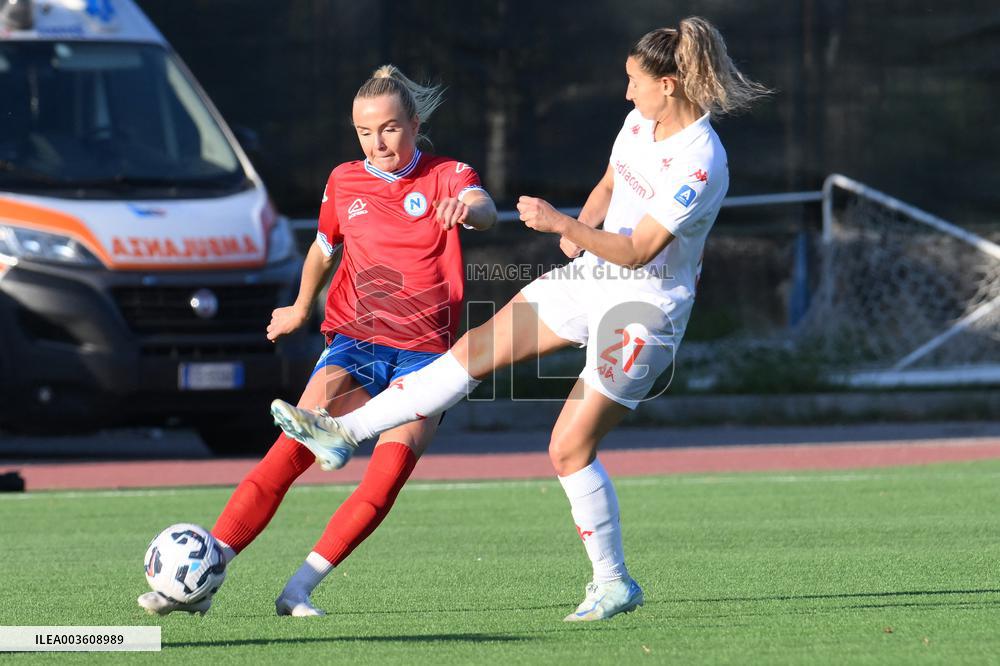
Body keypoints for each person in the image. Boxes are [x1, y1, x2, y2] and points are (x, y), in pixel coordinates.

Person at [271, 17, 770, 621]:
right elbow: (612, 182)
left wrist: (563, 225)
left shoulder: (700, 161)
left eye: (634, 82)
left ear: (669, 85)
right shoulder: (643, 120)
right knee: (474, 351)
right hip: (593, 276)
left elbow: (641, 250)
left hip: (643, 308)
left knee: (567, 447)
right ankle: (343, 433)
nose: (626, 93)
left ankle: (614, 583)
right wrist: (582, 235)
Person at [138, 65, 497, 616]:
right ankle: (203, 576)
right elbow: (323, 248)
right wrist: (300, 307)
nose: (378, 143)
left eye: (391, 129)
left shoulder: (448, 173)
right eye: (365, 132)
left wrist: (466, 209)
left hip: (427, 359)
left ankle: (298, 589)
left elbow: (485, 208)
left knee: (384, 480)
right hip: (355, 341)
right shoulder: (344, 180)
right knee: (290, 452)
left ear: (414, 123)